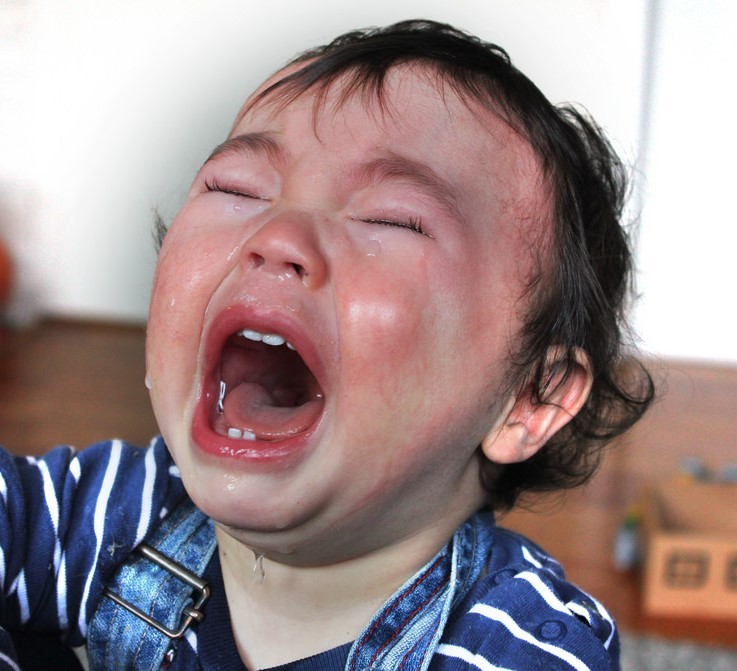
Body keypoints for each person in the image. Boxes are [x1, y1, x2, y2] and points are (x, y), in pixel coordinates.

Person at [0, 19, 653, 671]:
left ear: (528, 398)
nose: (277, 234)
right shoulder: (128, 508)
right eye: (237, 189)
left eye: (390, 219)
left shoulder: (521, 646)